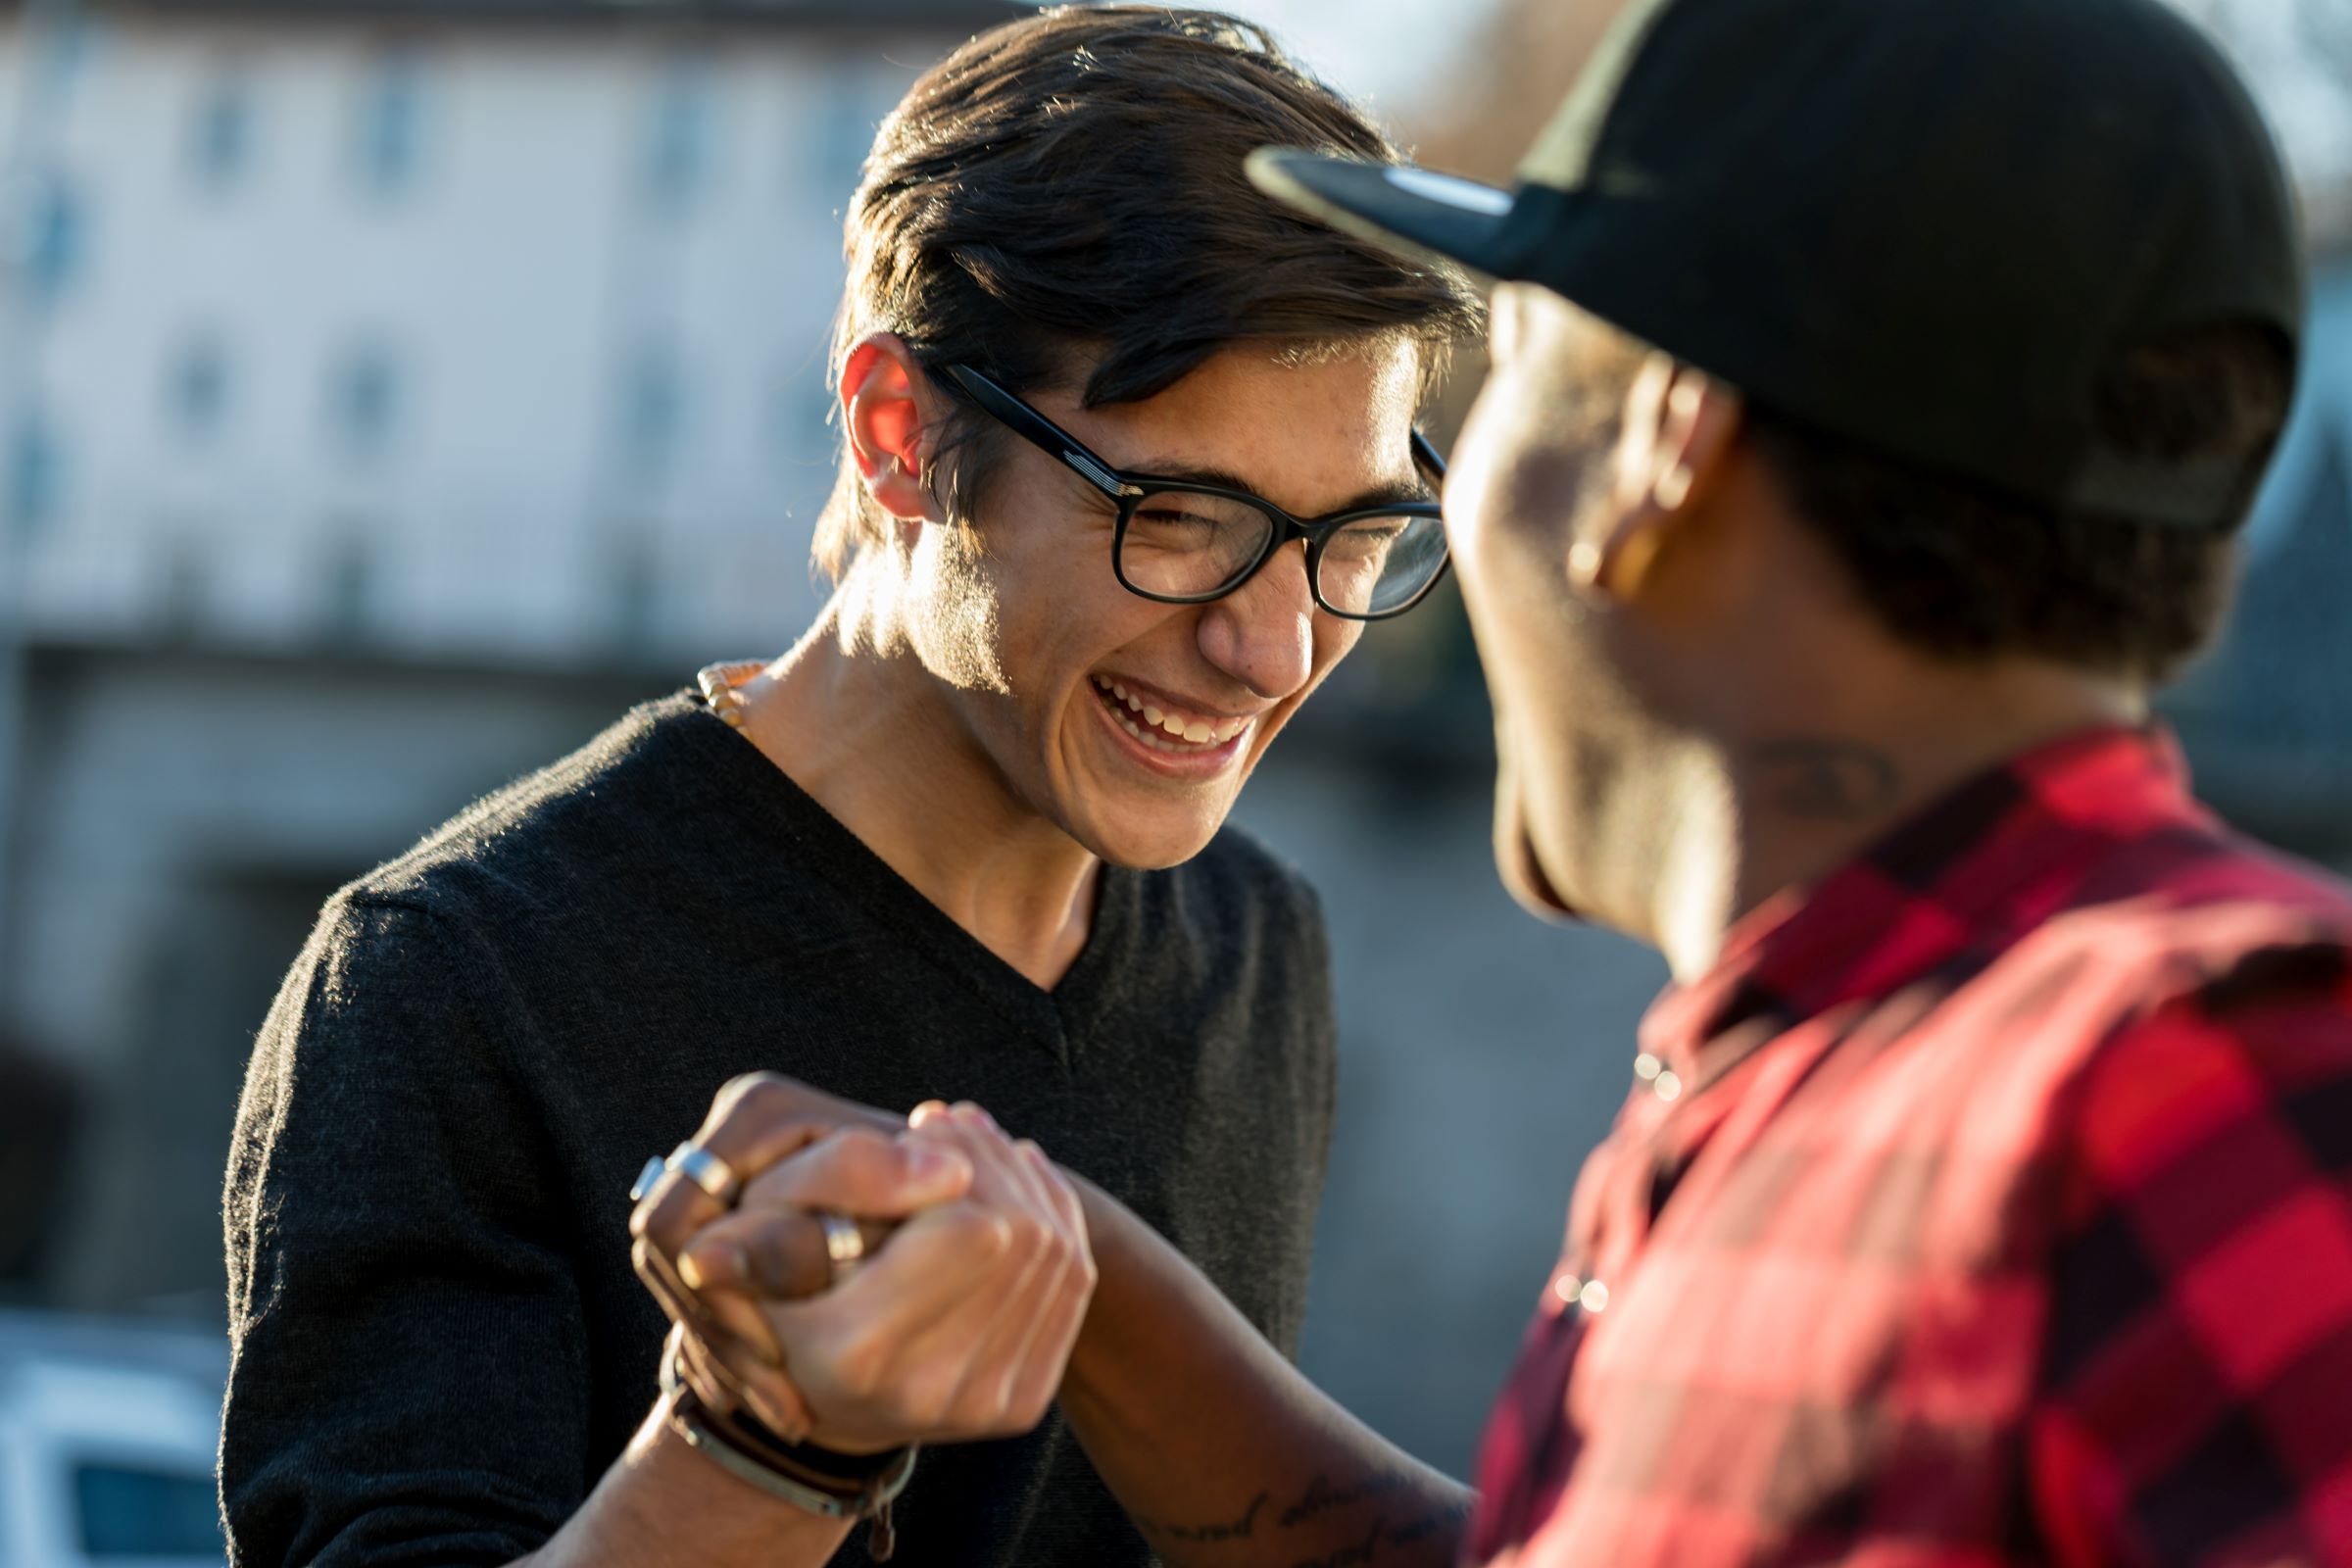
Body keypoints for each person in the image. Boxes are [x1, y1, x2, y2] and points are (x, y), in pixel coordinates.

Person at [646, 0, 2352, 1561]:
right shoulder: (1844, 1083)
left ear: (1660, 445)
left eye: (1506, 372)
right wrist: (1068, 1273)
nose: (1275, 639)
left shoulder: (2218, 1085)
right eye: (1182, 517)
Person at [218, 9, 1481, 1568]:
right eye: (1183, 515)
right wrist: (755, 1447)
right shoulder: (451, 980)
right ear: (900, 434)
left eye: (1353, 534)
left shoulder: (1253, 943)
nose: (1275, 644)